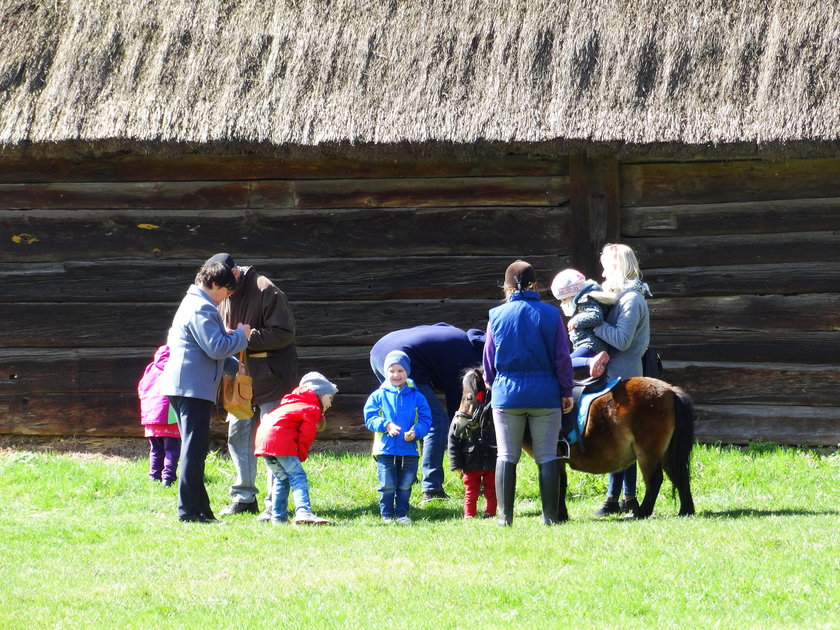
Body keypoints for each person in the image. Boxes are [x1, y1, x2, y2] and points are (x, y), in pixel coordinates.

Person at [208, 254, 299, 521]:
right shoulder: (223, 290)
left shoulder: (266, 289)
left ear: (235, 274)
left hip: (272, 376)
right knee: (238, 436)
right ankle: (243, 498)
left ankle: (274, 502)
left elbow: (284, 332)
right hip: (241, 377)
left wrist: (242, 338)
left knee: (272, 438)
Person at [483, 260, 574, 526]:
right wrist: (566, 390)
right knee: (547, 456)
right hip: (545, 395)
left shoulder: (495, 316)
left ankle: (504, 519)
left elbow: (488, 359)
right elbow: (562, 357)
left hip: (507, 396)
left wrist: (492, 383)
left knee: (506, 456)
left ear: (507, 286)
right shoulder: (551, 314)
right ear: (535, 284)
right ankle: (550, 518)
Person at [159, 261, 251, 523]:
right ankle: (187, 511)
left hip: (187, 386)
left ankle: (202, 511)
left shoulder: (195, 304)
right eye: (225, 291)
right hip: (191, 388)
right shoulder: (201, 307)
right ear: (212, 284)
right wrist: (242, 335)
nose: (226, 297)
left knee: (194, 449)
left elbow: (205, 349)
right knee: (194, 451)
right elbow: (215, 348)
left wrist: (235, 366)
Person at [370, 323, 485, 503]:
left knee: (401, 416)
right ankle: (432, 488)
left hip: (379, 351)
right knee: (436, 421)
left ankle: (403, 475)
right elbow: (460, 412)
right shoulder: (469, 360)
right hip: (405, 361)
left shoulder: (456, 334)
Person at [591, 244, 652, 517]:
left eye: (607, 266)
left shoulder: (631, 300)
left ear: (618, 267)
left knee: (623, 440)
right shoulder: (623, 297)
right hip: (614, 377)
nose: (603, 273)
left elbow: (622, 340)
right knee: (617, 439)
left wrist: (590, 323)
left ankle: (620, 498)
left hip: (624, 379)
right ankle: (620, 498)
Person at [254, 372, 338, 525]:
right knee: (298, 477)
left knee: (281, 478)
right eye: (329, 398)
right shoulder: (311, 408)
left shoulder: (290, 404)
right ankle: (303, 511)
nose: (330, 403)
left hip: (263, 442)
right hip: (280, 444)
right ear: (319, 394)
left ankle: (278, 517)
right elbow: (306, 434)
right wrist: (301, 454)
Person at [363, 351, 432, 524]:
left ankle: (402, 514)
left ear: (407, 372)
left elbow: (426, 420)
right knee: (387, 485)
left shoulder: (417, 396)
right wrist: (386, 425)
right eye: (392, 371)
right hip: (385, 448)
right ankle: (387, 515)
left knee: (405, 484)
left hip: (410, 450)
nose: (396, 375)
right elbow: (370, 418)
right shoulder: (378, 396)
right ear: (386, 372)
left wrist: (416, 432)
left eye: (400, 370)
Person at [550, 269, 613, 379]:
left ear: (573, 294)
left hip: (590, 344)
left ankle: (592, 362)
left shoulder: (585, 299)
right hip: (586, 344)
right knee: (565, 363)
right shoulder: (582, 301)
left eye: (564, 299)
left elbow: (596, 316)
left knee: (561, 364)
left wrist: (576, 320)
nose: (562, 303)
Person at [447, 393, 497, 519]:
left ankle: (490, 512)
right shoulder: (462, 416)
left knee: (492, 490)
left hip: (491, 462)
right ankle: (469, 514)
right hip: (470, 463)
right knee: (471, 492)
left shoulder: (492, 415)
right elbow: (453, 441)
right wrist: (456, 464)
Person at [137, 344, 181, 486]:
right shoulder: (177, 368)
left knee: (156, 449)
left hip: (151, 417)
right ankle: (168, 478)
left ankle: (154, 476)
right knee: (171, 449)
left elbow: (141, 388)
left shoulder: (150, 368)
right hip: (169, 417)